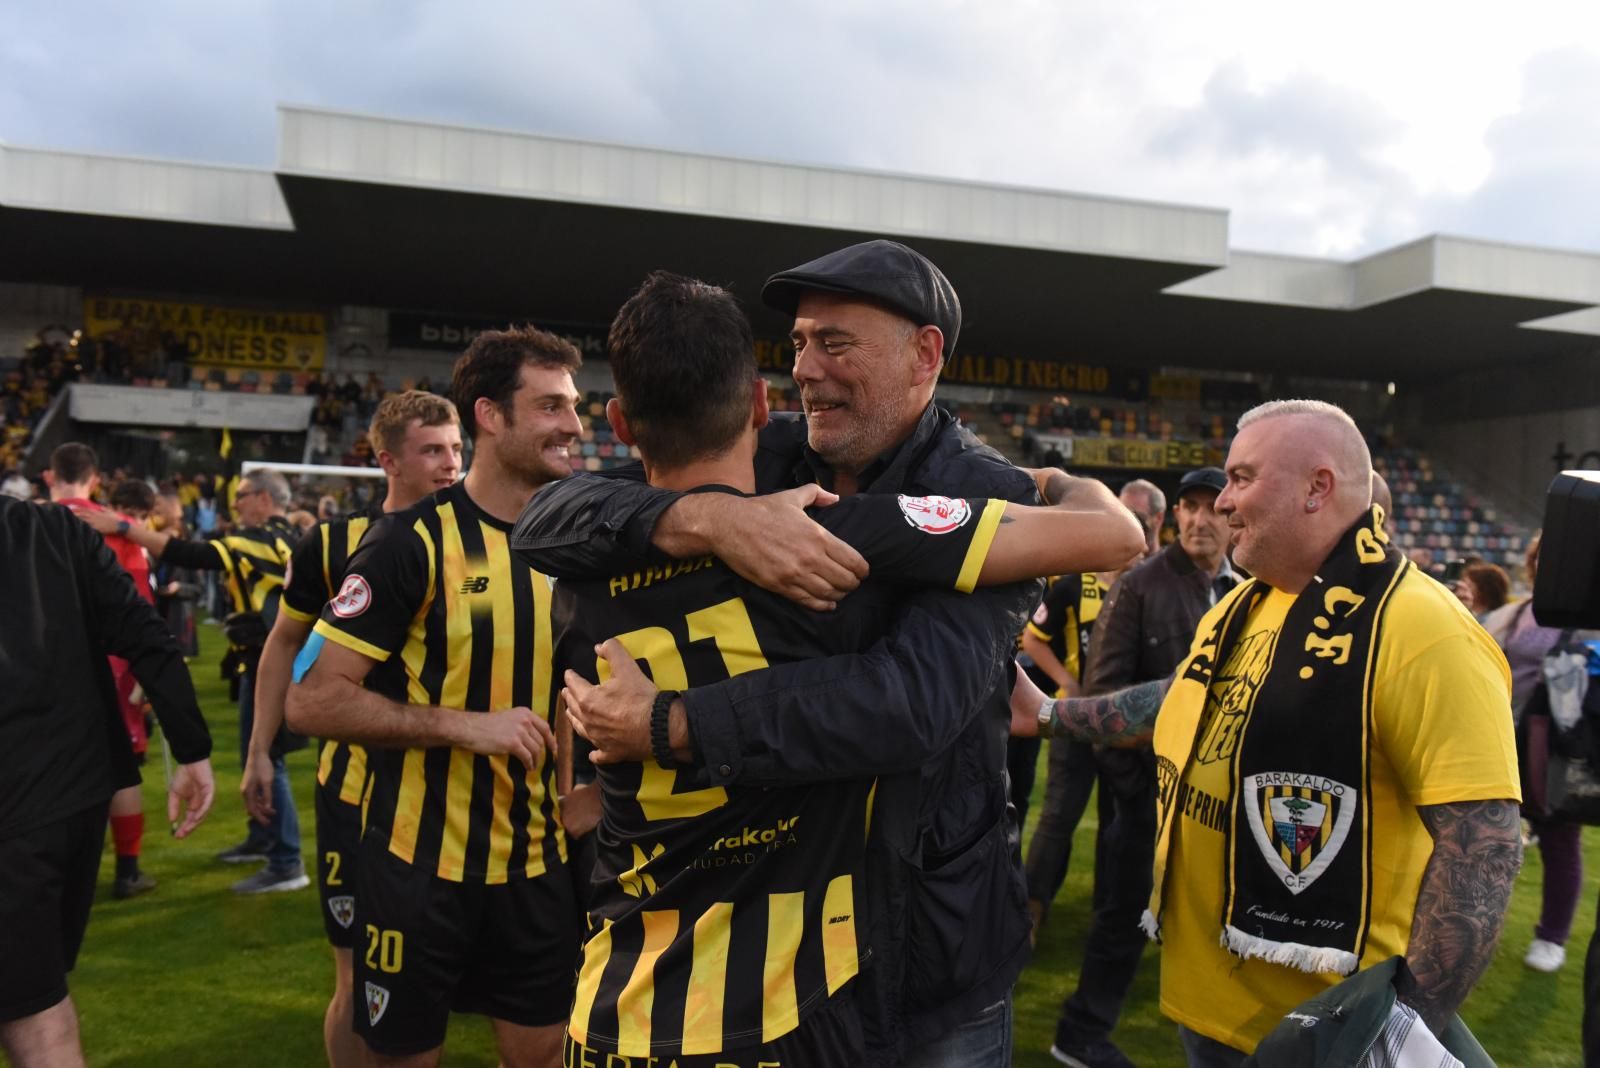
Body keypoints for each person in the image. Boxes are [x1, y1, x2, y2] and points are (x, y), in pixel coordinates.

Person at [540, 271, 1143, 1065]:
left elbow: (909, 706)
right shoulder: (776, 457)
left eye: (834, 342)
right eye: (796, 344)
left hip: (935, 956)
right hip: (787, 970)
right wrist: (716, 517)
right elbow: (554, 514)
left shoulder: (979, 494)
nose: (806, 368)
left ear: (924, 354)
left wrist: (675, 723)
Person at [1031, 399, 1522, 1065]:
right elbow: (1177, 701)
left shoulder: (1425, 631)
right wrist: (1046, 714)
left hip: (1322, 1032)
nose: (1222, 503)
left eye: (1241, 478)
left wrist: (1393, 1036)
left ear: (1318, 487)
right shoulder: (1245, 602)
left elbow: (1483, 850)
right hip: (1212, 1006)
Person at [286, 327, 585, 1068]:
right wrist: (461, 726)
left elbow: (575, 685)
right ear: (490, 415)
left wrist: (583, 790)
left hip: (537, 865)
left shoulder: (582, 545)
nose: (574, 426)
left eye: (574, 406)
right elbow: (311, 700)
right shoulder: (405, 544)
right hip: (418, 868)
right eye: (550, 406)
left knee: (547, 1053)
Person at [242, 391, 462, 1068]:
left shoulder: (492, 539)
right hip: (353, 795)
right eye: (433, 450)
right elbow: (283, 644)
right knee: (355, 981)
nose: (450, 465)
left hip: (455, 800)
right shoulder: (332, 543)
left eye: (457, 448)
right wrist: (258, 749)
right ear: (386, 460)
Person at [0, 494, 214, 1068]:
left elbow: (144, 633)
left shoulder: (55, 529)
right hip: (74, 797)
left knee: (33, 1008)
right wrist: (192, 751)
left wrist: (192, 749)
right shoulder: (58, 529)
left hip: (28, 805)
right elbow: (146, 634)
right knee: (37, 992)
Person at [1040, 464, 1237, 1068]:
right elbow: (1103, 696)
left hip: (1216, 802)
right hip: (1145, 799)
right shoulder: (1141, 584)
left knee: (1211, 925)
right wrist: (1136, 795)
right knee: (1121, 920)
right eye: (1190, 507)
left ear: (1232, 517)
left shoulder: (1244, 589)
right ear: (1174, 516)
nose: (1200, 519)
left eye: (1213, 508)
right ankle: (1078, 1037)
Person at [79, 467, 305, 893]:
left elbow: (188, 553)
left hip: (269, 660)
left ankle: (287, 860)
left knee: (266, 759)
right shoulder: (287, 537)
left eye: (242, 495)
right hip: (270, 657)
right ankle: (264, 838)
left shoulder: (256, 538)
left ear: (263, 497)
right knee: (255, 756)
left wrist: (124, 527)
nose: (235, 504)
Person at [1021, 478, 1167, 944]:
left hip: (1126, 730)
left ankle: (1114, 911)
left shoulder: (1147, 587)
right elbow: (1032, 639)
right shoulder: (1075, 580)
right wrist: (1067, 682)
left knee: (1120, 823)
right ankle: (1031, 909)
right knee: (1059, 815)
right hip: (1075, 723)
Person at [45, 446, 162, 902]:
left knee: (43, 766)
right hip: (106, 668)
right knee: (119, 770)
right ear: (95, 479)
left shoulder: (22, 521)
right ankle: (126, 870)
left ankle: (47, 870)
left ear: (50, 476)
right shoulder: (117, 530)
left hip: (37, 668)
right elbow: (140, 610)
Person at [1482, 533, 1588, 977]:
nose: (1549, 563)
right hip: (1498, 738)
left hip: (1558, 747)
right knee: (1480, 838)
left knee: (1561, 839)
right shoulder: (1517, 611)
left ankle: (1551, 937)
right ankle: (1473, 926)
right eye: (1543, 555)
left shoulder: (1589, 619)